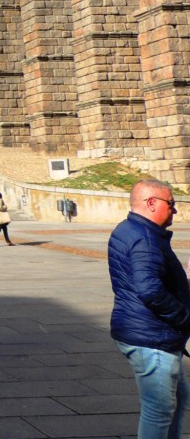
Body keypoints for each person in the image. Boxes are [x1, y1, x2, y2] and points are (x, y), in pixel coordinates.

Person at [108, 179, 190, 438]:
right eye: (171, 204)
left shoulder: (130, 230)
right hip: (152, 337)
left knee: (178, 399)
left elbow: (145, 279)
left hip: (146, 331)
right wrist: (184, 317)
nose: (174, 210)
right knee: (159, 410)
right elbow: (150, 289)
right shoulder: (145, 238)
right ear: (151, 203)